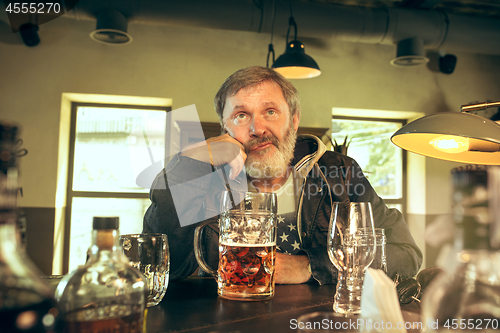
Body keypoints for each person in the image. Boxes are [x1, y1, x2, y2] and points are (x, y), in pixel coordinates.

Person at [143, 66, 422, 285]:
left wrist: (310, 266)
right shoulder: (202, 178)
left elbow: (405, 254)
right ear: (224, 128)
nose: (257, 128)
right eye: (241, 115)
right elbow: (159, 267)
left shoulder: (340, 173)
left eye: (271, 111)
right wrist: (191, 162)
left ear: (294, 119)